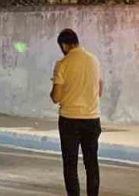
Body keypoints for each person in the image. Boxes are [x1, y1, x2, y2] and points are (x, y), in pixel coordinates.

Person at [50, 29, 102, 196]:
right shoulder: (94, 60)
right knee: (91, 163)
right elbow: (99, 89)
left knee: (70, 164)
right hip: (92, 119)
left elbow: (56, 97)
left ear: (64, 45)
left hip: (69, 120)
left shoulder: (62, 64)